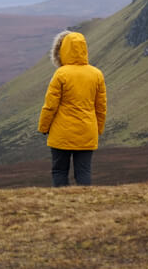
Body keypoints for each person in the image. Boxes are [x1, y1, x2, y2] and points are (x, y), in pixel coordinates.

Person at [37, 30, 107, 187]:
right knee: (84, 172)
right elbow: (101, 107)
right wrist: (98, 129)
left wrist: (43, 127)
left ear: (63, 50)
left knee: (59, 171)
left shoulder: (61, 74)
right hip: (87, 132)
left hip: (61, 133)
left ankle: (62, 205)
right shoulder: (96, 74)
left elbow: (50, 106)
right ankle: (84, 205)